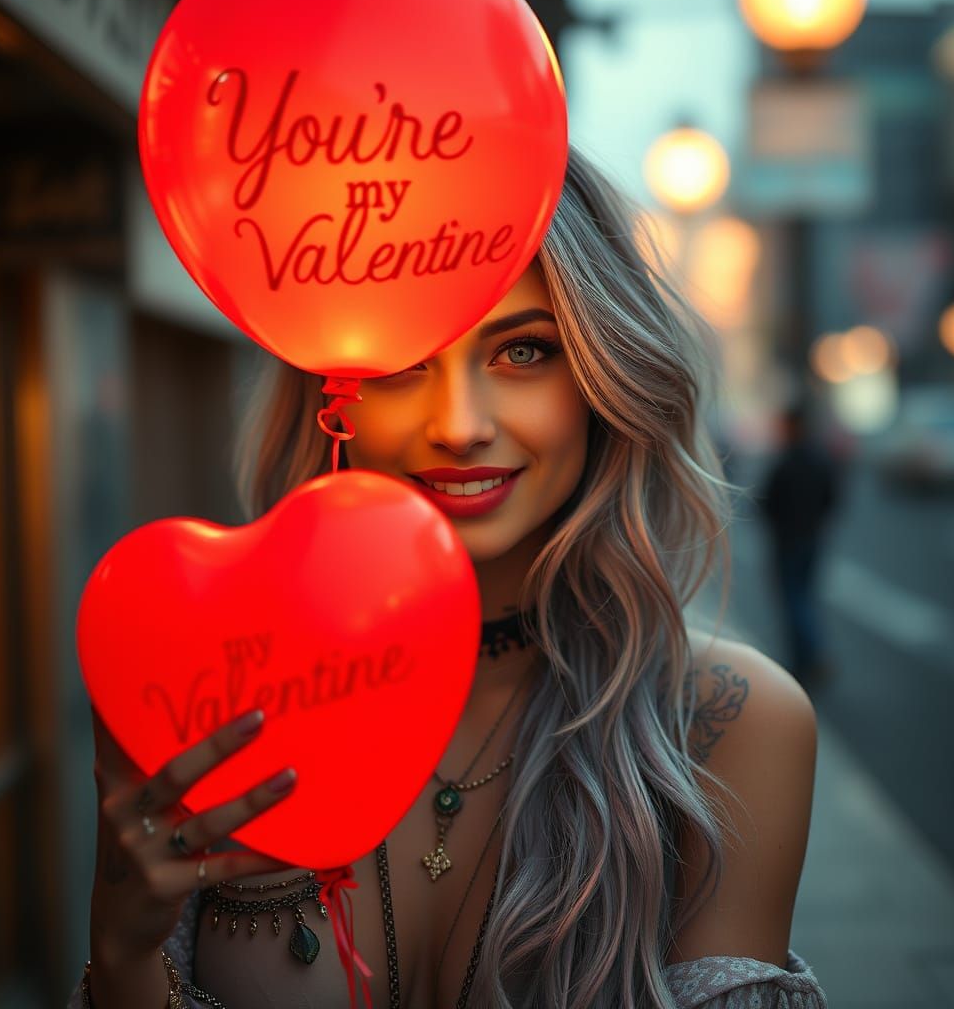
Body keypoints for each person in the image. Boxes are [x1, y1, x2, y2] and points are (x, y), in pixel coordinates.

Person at [71, 147, 826, 1009]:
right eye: (399, 361)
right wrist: (122, 957)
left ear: (601, 376)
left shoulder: (729, 725)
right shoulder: (208, 679)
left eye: (524, 352)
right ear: (328, 395)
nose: (459, 426)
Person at [756, 403, 841, 688]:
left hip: (787, 542)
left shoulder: (786, 462)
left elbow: (767, 502)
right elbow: (832, 497)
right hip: (812, 539)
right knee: (804, 597)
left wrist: (779, 522)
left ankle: (810, 658)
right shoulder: (820, 459)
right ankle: (807, 658)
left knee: (794, 601)